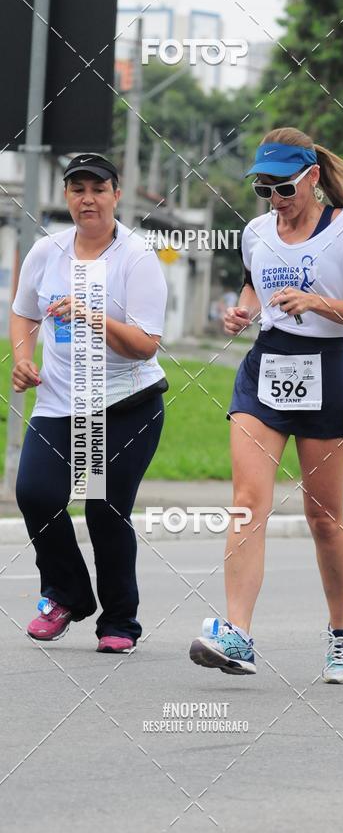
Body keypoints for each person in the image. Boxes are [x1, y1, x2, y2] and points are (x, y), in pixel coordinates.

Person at [189, 128, 343, 682]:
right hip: (267, 368)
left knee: (323, 518)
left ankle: (342, 632)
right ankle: (238, 635)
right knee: (248, 501)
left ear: (312, 178)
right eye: (264, 190)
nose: (275, 200)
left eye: (284, 188)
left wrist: (316, 302)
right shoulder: (256, 232)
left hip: (324, 369)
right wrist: (242, 311)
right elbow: (253, 288)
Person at [11, 153, 168, 654]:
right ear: (66, 197)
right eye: (77, 189)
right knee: (36, 494)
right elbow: (23, 313)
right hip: (60, 402)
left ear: (116, 195)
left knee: (104, 511)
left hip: (126, 405)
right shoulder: (47, 251)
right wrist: (22, 360)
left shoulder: (137, 258)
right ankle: (67, 595)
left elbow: (146, 345)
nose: (88, 199)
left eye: (98, 189)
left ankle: (119, 621)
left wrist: (92, 315)